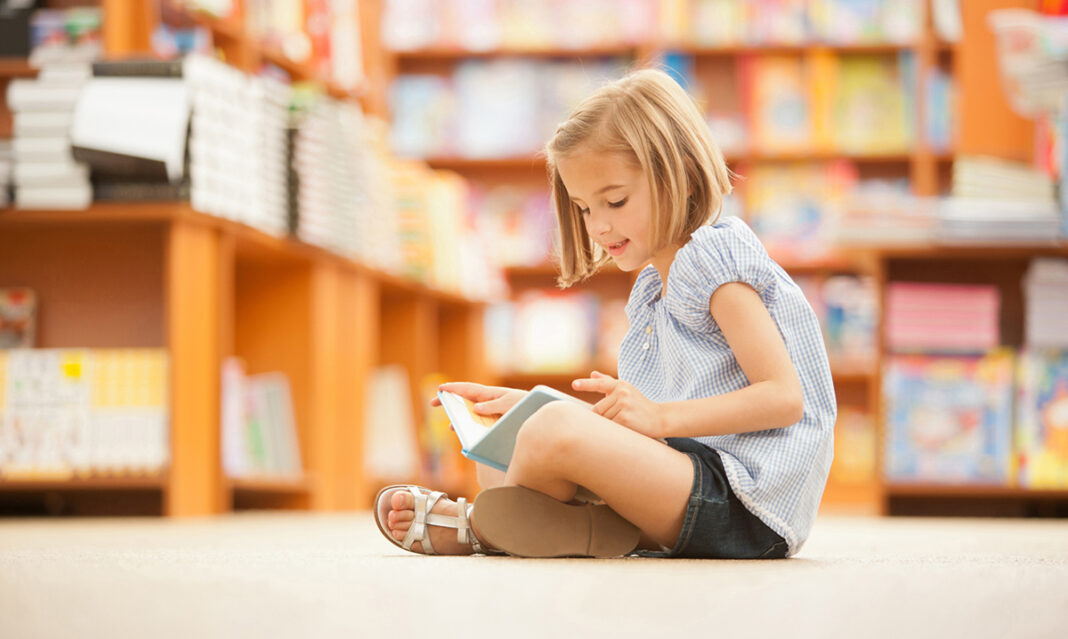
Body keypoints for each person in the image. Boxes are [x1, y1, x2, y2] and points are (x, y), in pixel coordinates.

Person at [374, 68, 836, 559]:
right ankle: (588, 530)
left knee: (548, 433)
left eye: (614, 201)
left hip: (745, 505)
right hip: (689, 480)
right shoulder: (656, 288)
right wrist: (528, 405)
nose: (598, 225)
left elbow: (784, 398)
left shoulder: (714, 261)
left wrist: (653, 417)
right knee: (501, 443)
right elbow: (640, 428)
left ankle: (478, 529)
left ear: (673, 171)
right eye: (584, 209)